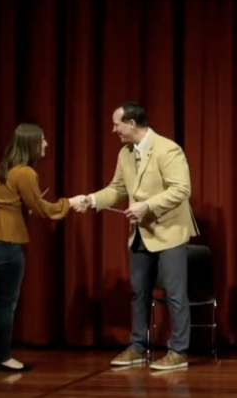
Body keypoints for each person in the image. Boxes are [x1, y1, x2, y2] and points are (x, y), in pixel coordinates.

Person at [71, 102, 199, 371]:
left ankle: (178, 351)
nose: (113, 129)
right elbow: (117, 188)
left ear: (131, 123)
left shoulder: (167, 149)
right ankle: (138, 346)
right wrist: (91, 199)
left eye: (116, 123)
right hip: (140, 233)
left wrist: (147, 205)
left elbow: (181, 189)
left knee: (175, 294)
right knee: (138, 292)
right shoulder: (125, 153)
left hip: (169, 231)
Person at [0, 123, 81, 372]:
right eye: (42, 140)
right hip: (7, 243)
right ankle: (3, 357)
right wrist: (69, 203)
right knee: (6, 303)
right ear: (31, 144)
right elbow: (45, 209)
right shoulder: (25, 173)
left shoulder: (4, 168)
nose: (46, 144)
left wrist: (16, 204)